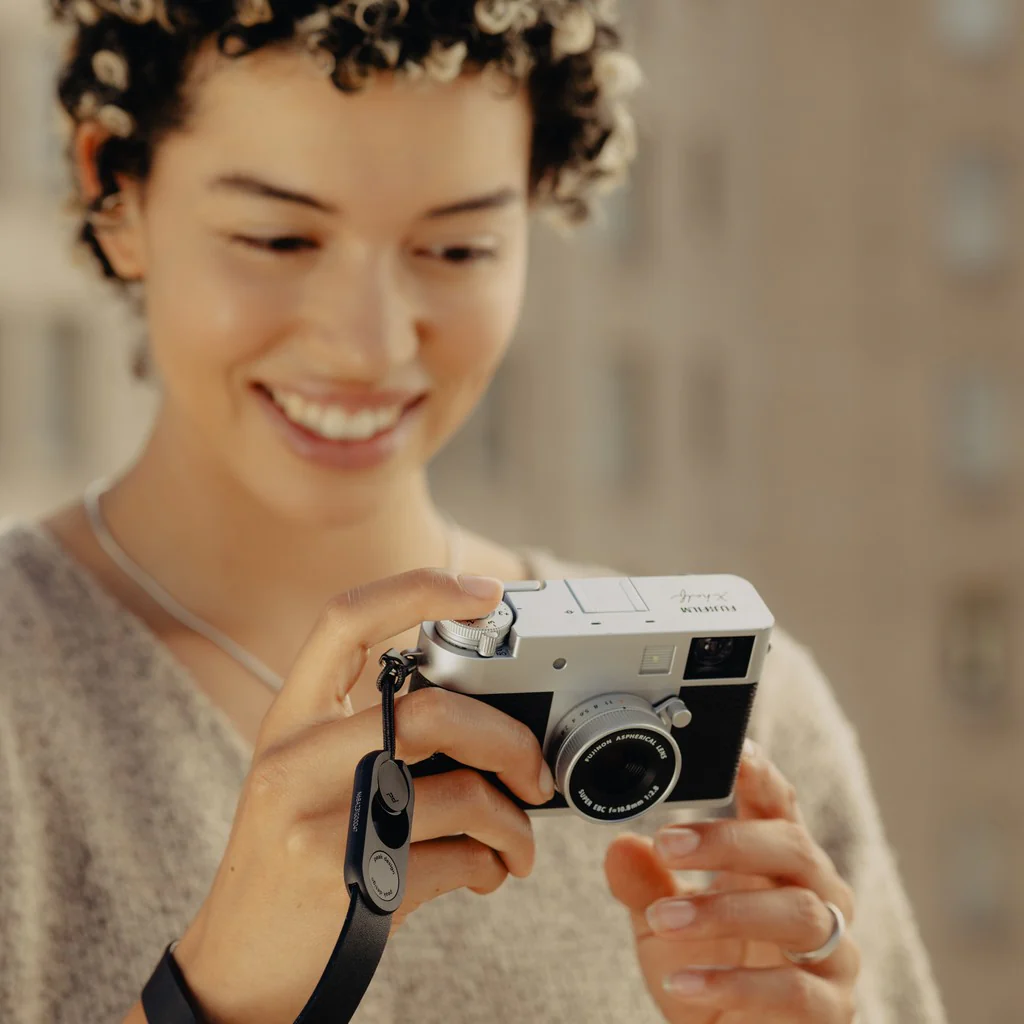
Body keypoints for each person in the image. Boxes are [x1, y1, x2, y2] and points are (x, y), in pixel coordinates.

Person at [0, 1, 947, 1022]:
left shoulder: (743, 718)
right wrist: (216, 999)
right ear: (113, 188)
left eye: (457, 249)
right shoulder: (27, 707)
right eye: (277, 237)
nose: (369, 343)